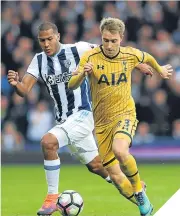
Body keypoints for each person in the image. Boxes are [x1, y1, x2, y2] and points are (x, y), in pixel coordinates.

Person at [8, 22, 153, 216]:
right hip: (65, 121)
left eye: (49, 39)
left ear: (58, 36)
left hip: (83, 114)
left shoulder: (79, 49)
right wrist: (16, 84)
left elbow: (111, 51)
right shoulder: (39, 60)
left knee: (48, 142)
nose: (46, 43)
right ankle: (140, 197)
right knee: (98, 167)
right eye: (42, 40)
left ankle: (51, 198)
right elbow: (24, 91)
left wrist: (139, 64)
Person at [68, 17, 173, 216]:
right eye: (105, 40)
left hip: (125, 113)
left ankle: (139, 191)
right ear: (101, 37)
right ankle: (146, 207)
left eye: (113, 41)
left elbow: (147, 57)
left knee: (120, 150)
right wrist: (82, 74)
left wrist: (159, 69)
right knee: (116, 178)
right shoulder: (90, 57)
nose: (109, 45)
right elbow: (71, 84)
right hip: (101, 124)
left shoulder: (129, 54)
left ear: (121, 38)